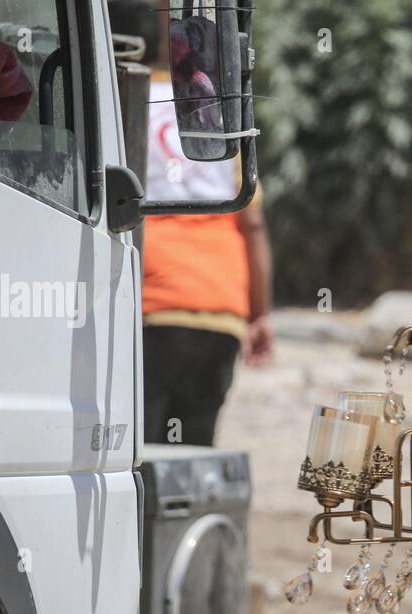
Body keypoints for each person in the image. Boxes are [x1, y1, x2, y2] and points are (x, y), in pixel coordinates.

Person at [127, 6, 274, 446]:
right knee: (194, 453)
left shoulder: (126, 103)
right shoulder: (216, 111)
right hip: (219, 307)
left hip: (150, 305)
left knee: (141, 450)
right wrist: (261, 314)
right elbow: (254, 227)